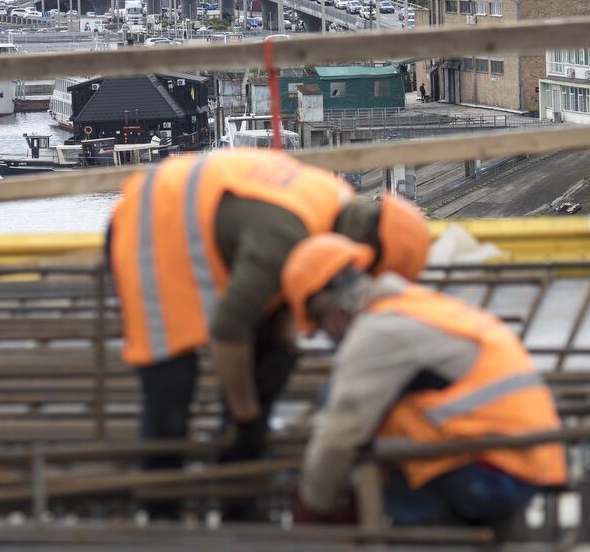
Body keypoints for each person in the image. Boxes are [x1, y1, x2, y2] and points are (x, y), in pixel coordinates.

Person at [108, 149, 430, 510]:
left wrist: (283, 343)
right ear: (364, 254)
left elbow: (285, 311)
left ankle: (239, 480)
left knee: (275, 355)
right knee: (172, 380)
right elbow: (229, 329)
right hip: (153, 224)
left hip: (220, 227)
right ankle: (159, 507)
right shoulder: (286, 237)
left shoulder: (337, 203)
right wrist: (245, 411)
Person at [281, 234, 567, 528]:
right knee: (376, 411)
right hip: (529, 462)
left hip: (493, 475)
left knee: (357, 424)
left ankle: (420, 532)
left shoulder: (379, 331)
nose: (327, 337)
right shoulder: (414, 305)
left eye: (321, 326)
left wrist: (312, 509)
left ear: (332, 311)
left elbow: (341, 432)